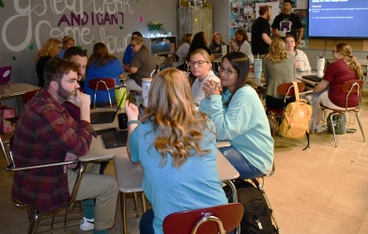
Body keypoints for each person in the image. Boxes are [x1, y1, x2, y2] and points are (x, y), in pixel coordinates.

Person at [11, 58, 118, 234]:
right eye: (71, 81)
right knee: (110, 186)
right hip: (44, 181)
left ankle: (89, 217)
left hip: (44, 169)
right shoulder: (46, 111)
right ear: (54, 85)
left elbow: (76, 133)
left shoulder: (47, 101)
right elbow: (81, 145)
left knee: (93, 164)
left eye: (76, 80)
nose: (77, 85)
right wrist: (85, 111)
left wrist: (73, 148)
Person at [125, 68, 228, 234]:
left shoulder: (143, 131)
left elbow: (133, 156)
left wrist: (132, 120)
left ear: (154, 95)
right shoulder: (206, 124)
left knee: (146, 221)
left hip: (175, 226)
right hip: (218, 222)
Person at [199, 52, 274, 179]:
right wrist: (208, 99)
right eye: (222, 68)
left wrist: (216, 98)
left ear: (241, 74)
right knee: (198, 156)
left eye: (229, 71)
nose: (222, 74)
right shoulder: (229, 91)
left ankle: (220, 198)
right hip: (237, 148)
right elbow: (204, 119)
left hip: (253, 158)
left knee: (201, 163)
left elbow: (222, 133)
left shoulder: (244, 95)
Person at [307, 43, 363, 133]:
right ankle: (340, 124)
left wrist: (311, 92)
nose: (332, 54)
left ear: (340, 53)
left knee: (316, 99)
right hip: (355, 101)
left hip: (338, 101)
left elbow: (322, 86)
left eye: (333, 52)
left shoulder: (334, 65)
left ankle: (316, 126)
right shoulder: (356, 64)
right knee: (324, 95)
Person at [262, 38, 295, 110]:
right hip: (291, 98)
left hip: (273, 98)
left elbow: (268, 79)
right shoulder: (291, 58)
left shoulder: (266, 59)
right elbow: (293, 75)